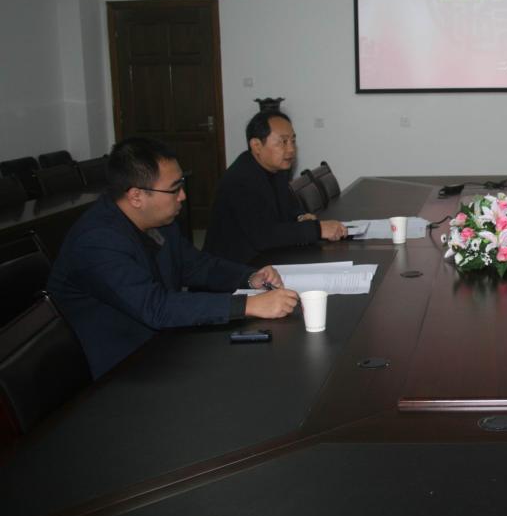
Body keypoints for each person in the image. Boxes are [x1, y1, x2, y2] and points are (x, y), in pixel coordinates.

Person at [48, 138, 298, 379]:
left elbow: (197, 266)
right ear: (136, 196)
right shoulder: (96, 241)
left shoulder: (159, 221)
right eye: (174, 189)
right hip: (120, 367)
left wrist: (250, 278)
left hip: (163, 345)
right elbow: (155, 307)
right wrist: (248, 305)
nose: (183, 196)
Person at [204, 111, 346, 264]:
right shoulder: (240, 181)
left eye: (293, 141)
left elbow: (290, 208)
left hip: (266, 258)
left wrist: (301, 217)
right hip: (231, 267)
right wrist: (318, 230)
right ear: (257, 145)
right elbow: (263, 235)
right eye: (283, 142)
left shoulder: (276, 170)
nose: (291, 149)